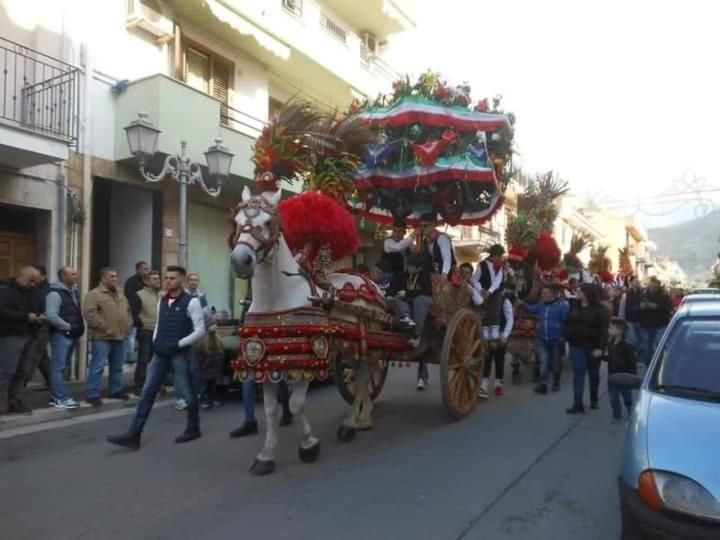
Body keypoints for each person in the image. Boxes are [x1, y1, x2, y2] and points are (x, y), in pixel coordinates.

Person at [106, 265, 206, 449]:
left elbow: (200, 330)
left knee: (187, 392)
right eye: (166, 278)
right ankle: (134, 434)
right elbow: (159, 324)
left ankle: (193, 427)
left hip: (179, 354)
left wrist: (179, 344)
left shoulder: (191, 302)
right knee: (147, 391)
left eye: (173, 278)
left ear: (182, 281)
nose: (168, 281)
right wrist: (156, 340)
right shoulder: (162, 301)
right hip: (160, 353)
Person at [83, 267, 132, 407]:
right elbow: (89, 313)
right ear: (103, 278)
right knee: (97, 367)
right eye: (111, 276)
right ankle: (92, 394)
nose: (115, 279)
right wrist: (105, 327)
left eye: (116, 276)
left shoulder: (121, 294)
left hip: (120, 336)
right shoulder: (94, 294)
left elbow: (128, 311)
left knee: (117, 367)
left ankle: (115, 390)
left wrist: (128, 325)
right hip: (102, 337)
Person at [387, 252, 434, 389]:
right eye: (409, 266)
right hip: (405, 304)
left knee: (420, 301)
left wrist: (408, 293)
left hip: (421, 304)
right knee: (393, 299)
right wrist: (394, 296)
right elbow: (391, 291)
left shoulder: (425, 277)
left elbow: (427, 293)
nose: (409, 269)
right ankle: (406, 318)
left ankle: (416, 334)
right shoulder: (402, 276)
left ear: (419, 268)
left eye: (412, 267)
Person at [0, 266, 42, 414]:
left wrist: (39, 316)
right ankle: (2, 402)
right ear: (22, 276)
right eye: (31, 281)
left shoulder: (33, 291)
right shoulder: (4, 289)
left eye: (35, 282)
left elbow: (36, 308)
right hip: (10, 335)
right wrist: (26, 316)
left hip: (30, 334)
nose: (33, 284)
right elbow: (2, 310)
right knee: (6, 371)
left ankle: (15, 400)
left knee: (24, 371)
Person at [564, 283, 609, 414]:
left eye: (581, 290)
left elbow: (603, 331)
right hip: (576, 346)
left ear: (588, 293)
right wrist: (567, 335)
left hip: (594, 347)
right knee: (578, 374)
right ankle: (577, 403)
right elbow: (567, 322)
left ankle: (594, 398)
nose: (578, 291)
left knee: (593, 375)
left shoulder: (600, 309)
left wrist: (600, 347)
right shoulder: (574, 306)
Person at [45, 266, 84, 409]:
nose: (76, 276)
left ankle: (55, 396)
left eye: (76, 273)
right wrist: (68, 326)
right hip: (61, 335)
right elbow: (51, 315)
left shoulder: (73, 292)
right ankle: (60, 398)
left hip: (72, 335)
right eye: (73, 274)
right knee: (58, 368)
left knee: (62, 367)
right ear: (63, 277)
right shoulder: (55, 294)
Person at [520, 284, 569, 395]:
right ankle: (543, 384)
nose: (542, 295)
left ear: (552, 294)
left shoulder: (562, 306)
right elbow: (531, 310)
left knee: (556, 362)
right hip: (541, 338)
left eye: (544, 293)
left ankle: (556, 382)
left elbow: (566, 322)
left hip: (556, 339)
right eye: (542, 293)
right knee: (544, 361)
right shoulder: (541, 304)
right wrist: (522, 303)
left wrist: (563, 336)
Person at [129, 270, 161, 396]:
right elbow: (134, 313)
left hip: (158, 331)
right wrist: (141, 325)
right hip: (146, 331)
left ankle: (154, 384)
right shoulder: (139, 295)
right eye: (154, 278)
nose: (158, 280)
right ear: (146, 281)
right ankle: (139, 386)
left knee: (156, 360)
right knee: (143, 359)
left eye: (158, 278)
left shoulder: (160, 295)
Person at [478, 292, 514, 399]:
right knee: (486, 360)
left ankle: (498, 384)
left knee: (499, 360)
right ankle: (483, 386)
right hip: (486, 336)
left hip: (499, 335)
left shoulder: (505, 301)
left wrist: (505, 335)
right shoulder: (482, 299)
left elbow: (510, 319)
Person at [470, 244, 507, 342]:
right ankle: (485, 332)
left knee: (496, 310)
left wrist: (490, 291)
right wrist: (481, 289)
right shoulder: (482, 265)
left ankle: (495, 332)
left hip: (495, 291)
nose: (500, 258)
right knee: (485, 311)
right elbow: (474, 280)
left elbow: (498, 281)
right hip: (483, 291)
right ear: (493, 255)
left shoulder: (500, 266)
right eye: (499, 256)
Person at [605, 318, 637, 423]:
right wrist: (600, 356)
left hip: (624, 377)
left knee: (627, 398)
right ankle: (617, 416)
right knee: (613, 398)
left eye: (611, 328)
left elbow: (632, 362)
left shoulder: (627, 346)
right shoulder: (610, 344)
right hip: (612, 376)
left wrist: (632, 377)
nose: (608, 330)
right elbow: (610, 358)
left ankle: (632, 414)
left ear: (620, 331)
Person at [635, 276, 672, 367]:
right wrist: (641, 307)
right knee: (647, 347)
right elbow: (634, 309)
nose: (652, 289)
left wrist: (657, 307)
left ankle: (660, 365)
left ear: (659, 286)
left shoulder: (664, 296)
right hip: (646, 325)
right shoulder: (642, 295)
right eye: (651, 287)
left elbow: (668, 310)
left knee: (660, 346)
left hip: (660, 325)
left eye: (655, 287)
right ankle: (649, 366)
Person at [124, 261, 149, 365]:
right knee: (131, 334)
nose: (147, 271)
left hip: (144, 314)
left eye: (147, 269)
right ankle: (130, 356)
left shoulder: (146, 282)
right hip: (133, 312)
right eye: (144, 268)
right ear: (138, 269)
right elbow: (129, 297)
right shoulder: (131, 281)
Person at [30, 265, 51, 387]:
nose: (33, 278)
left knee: (33, 356)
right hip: (32, 325)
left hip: (43, 326)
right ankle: (51, 381)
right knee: (42, 356)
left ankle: (19, 387)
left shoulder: (49, 290)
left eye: (35, 276)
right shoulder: (34, 287)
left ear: (43, 276)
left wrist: (43, 316)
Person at [197, 310, 224, 410]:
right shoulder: (203, 338)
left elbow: (220, 349)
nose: (215, 326)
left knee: (213, 384)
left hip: (214, 365)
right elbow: (200, 351)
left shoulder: (217, 337)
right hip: (206, 365)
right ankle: (204, 399)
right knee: (205, 384)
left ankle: (212, 399)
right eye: (213, 324)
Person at [419, 212, 455, 277]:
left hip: (445, 275)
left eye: (425, 226)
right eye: (421, 226)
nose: (422, 228)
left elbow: (447, 258)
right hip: (433, 275)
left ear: (433, 225)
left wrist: (444, 274)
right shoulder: (425, 240)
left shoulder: (442, 238)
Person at [618, 276, 643, 345]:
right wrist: (621, 321)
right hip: (629, 321)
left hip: (640, 321)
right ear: (631, 283)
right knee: (632, 340)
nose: (637, 283)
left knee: (641, 340)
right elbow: (622, 309)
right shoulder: (625, 295)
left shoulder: (642, 294)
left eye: (638, 281)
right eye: (635, 281)